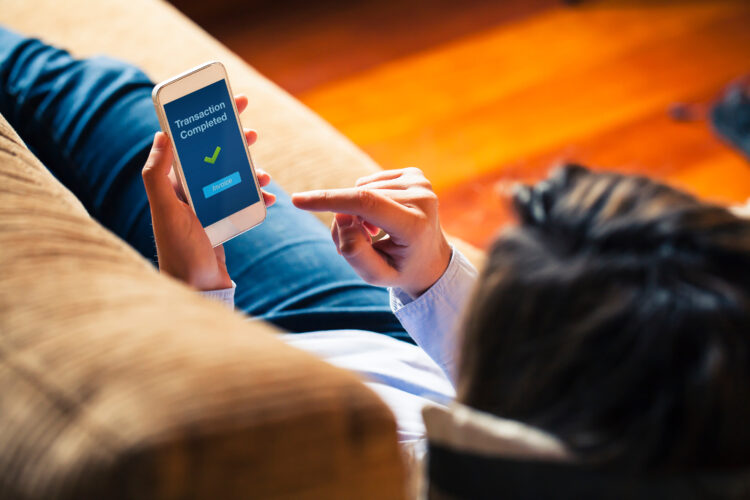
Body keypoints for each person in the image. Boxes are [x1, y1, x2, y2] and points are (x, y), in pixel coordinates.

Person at [3, 27, 750, 472]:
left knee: (83, 110)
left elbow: (240, 459)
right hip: (365, 329)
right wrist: (432, 278)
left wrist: (198, 294)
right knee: (97, 101)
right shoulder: (690, 403)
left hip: (260, 370)